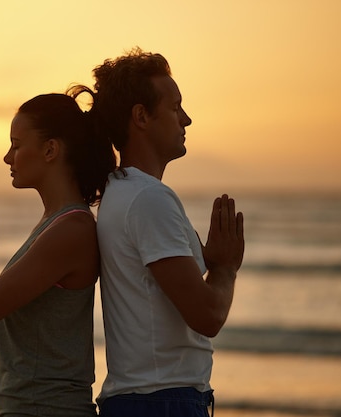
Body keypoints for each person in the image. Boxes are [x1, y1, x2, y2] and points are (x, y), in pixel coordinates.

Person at [80, 47, 245, 416]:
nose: (186, 119)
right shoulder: (148, 198)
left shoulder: (121, 191)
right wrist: (225, 268)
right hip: (160, 402)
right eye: (175, 107)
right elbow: (206, 316)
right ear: (141, 116)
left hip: (145, 398)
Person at [0, 93, 116, 416]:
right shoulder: (52, 224)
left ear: (50, 150)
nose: (6, 157)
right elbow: (2, 330)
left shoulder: (72, 229)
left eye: (16, 144)